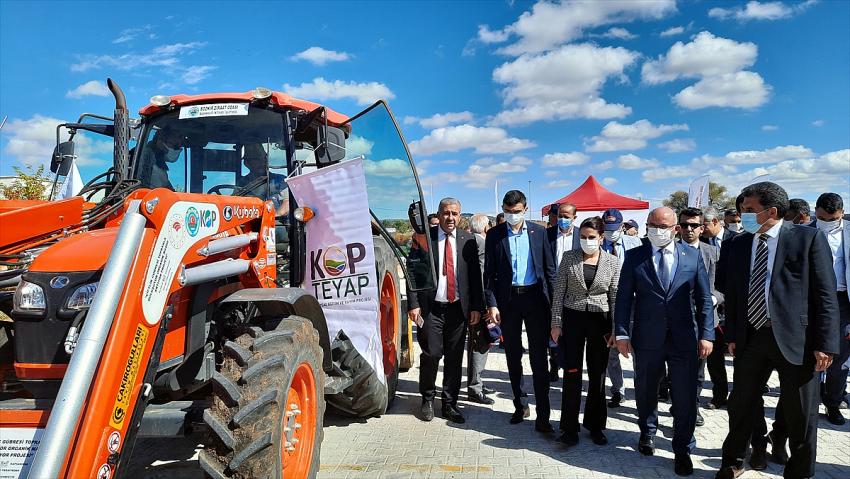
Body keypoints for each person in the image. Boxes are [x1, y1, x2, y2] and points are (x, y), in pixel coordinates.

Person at [716, 182, 839, 479]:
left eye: (749, 210)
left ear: (771, 211)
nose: (743, 215)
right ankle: (734, 461)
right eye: (741, 210)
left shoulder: (807, 238)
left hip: (797, 340)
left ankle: (799, 471)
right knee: (741, 404)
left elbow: (825, 294)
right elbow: (734, 292)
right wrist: (732, 335)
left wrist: (825, 343)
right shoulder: (738, 243)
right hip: (751, 337)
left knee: (801, 413)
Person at [615, 206, 714, 477]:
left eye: (663, 227)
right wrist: (622, 333)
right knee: (646, 389)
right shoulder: (635, 257)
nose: (657, 231)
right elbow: (624, 298)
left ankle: (683, 449)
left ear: (675, 228)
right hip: (647, 337)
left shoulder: (692, 256)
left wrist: (707, 334)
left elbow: (704, 299)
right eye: (652, 226)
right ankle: (647, 431)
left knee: (685, 395)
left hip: (685, 338)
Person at [484, 190, 556, 432]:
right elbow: (489, 273)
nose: (512, 215)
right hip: (509, 301)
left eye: (516, 211)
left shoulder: (539, 233)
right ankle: (520, 404)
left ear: (525, 209)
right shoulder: (495, 235)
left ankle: (543, 415)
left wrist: (554, 306)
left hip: (535, 299)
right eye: (508, 211)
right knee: (513, 355)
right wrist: (492, 303)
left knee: (539, 358)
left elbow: (549, 270)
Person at [408, 198, 484, 424]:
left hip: (458, 310)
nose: (450, 218)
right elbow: (413, 272)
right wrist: (413, 304)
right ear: (439, 214)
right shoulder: (424, 238)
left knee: (454, 358)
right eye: (446, 213)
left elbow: (475, 277)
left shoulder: (468, 240)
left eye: (455, 213)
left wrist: (476, 307)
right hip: (431, 309)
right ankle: (427, 399)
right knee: (431, 354)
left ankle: (450, 403)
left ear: (460, 216)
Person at [550, 217, 620, 447]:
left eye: (591, 237)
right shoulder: (569, 258)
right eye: (583, 237)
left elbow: (615, 296)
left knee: (598, 374)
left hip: (600, 321)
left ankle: (595, 425)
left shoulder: (612, 262)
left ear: (601, 238)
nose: (587, 241)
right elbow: (559, 292)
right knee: (572, 373)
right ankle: (569, 428)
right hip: (573, 319)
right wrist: (556, 323)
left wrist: (615, 329)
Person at [677, 207, 723, 428]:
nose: (689, 229)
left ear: (702, 228)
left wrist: (713, 299)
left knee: (698, 370)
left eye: (694, 225)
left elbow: (723, 286)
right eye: (685, 225)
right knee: (677, 369)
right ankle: (678, 406)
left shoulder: (713, 253)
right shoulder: (669, 251)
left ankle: (692, 408)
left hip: (704, 320)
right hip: (676, 319)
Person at [812, 192, 849, 426]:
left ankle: (833, 402)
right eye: (822, 218)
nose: (826, 223)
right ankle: (810, 399)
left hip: (842, 300)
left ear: (842, 213)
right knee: (810, 353)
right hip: (811, 301)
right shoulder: (803, 232)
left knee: (840, 354)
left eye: (832, 219)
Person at [600, 208, 642, 408]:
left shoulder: (635, 243)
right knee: (611, 351)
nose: (611, 233)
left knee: (637, 349)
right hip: (607, 305)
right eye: (607, 229)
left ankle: (641, 390)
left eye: (614, 228)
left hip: (633, 304)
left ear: (622, 226)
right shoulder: (597, 245)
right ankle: (618, 390)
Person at [545, 202, 580, 382]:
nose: (562, 219)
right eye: (560, 215)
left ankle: (571, 368)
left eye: (566, 216)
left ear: (574, 217)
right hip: (552, 290)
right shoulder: (547, 235)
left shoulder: (582, 235)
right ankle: (554, 362)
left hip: (575, 291)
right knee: (553, 329)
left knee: (573, 332)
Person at [467, 213, 496, 405]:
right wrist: (486, 304)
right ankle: (475, 387)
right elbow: (482, 276)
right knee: (480, 343)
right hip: (480, 303)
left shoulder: (472, 241)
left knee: (477, 344)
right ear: (486, 227)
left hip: (474, 302)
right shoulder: (481, 243)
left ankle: (477, 382)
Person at [238, 144, 288, 215]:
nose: (261, 162)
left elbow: (287, 203)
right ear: (247, 163)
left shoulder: (280, 180)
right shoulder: (242, 183)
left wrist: (275, 216)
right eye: (256, 160)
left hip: (275, 221)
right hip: (247, 219)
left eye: (264, 158)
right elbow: (232, 202)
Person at [139, 125, 183, 189]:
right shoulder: (143, 158)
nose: (175, 150)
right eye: (174, 146)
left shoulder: (159, 164)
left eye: (178, 147)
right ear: (160, 141)